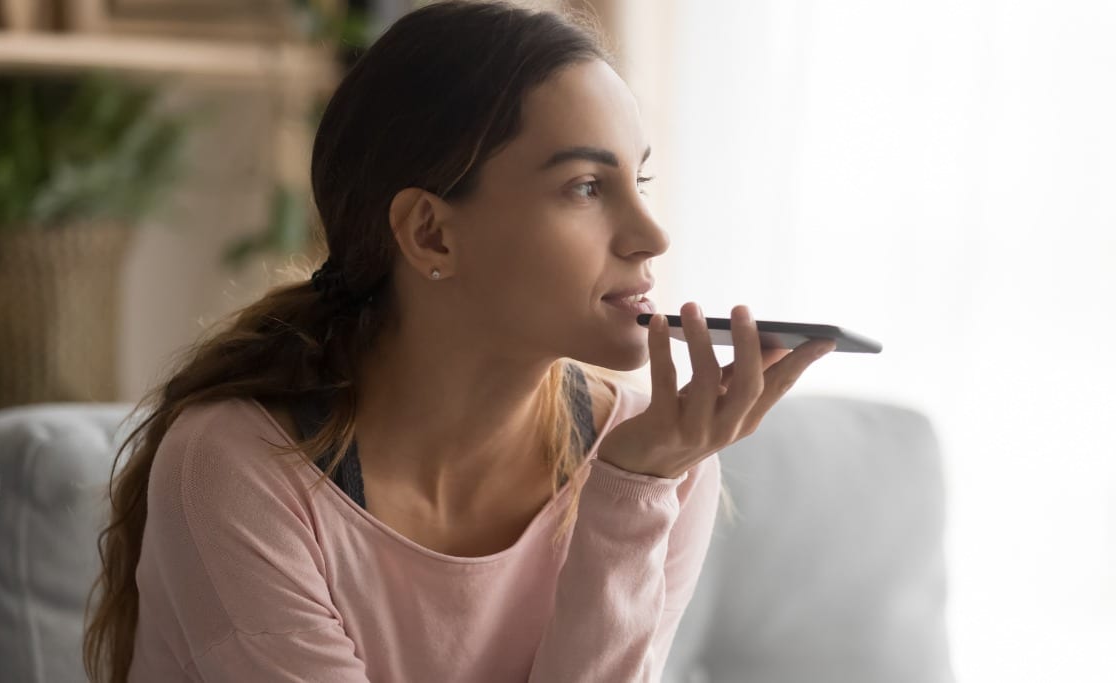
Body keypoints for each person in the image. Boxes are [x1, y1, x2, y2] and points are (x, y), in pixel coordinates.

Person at [82, 1, 836, 681]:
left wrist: (634, 489)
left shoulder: (656, 461)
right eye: (586, 187)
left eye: (640, 181)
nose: (651, 235)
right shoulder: (238, 468)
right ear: (432, 233)